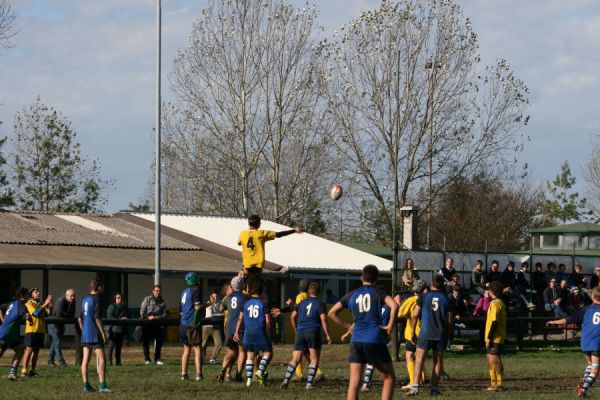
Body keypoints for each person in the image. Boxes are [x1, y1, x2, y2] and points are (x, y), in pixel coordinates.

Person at [328, 264, 398, 400]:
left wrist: (348, 326)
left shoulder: (353, 293)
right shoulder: (378, 292)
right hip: (374, 339)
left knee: (354, 382)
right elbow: (394, 305)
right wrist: (390, 326)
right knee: (389, 378)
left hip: (356, 340)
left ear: (362, 278)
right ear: (376, 279)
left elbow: (332, 313)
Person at [547, 286, 600, 397]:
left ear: (593, 296)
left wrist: (554, 322)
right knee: (595, 371)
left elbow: (569, 319)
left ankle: (582, 385)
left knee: (590, 365)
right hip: (597, 343)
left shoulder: (585, 309)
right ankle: (583, 390)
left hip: (585, 343)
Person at [406, 275, 452, 397]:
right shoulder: (447, 299)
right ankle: (434, 388)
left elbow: (415, 315)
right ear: (442, 285)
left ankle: (415, 387)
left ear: (432, 283)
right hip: (440, 334)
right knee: (437, 362)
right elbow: (449, 320)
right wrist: (447, 334)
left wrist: (412, 332)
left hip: (425, 333)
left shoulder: (424, 296)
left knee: (419, 360)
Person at [281, 282, 332, 390]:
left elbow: (292, 317)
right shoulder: (320, 303)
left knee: (295, 359)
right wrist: (327, 334)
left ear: (309, 291)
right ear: (320, 292)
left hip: (301, 331)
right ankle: (309, 384)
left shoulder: (302, 303)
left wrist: (296, 329)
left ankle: (286, 380)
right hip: (313, 331)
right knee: (314, 359)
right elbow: (323, 319)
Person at [238, 214, 302, 291]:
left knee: (246, 285)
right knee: (255, 286)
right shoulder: (261, 233)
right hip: (257, 265)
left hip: (246, 264)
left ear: (249, 224)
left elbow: (239, 243)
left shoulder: (242, 233)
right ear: (259, 224)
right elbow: (279, 234)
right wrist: (294, 230)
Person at [234, 279, 273, 387]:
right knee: (268, 353)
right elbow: (268, 320)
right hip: (260, 331)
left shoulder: (245, 303)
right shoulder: (264, 303)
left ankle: (249, 380)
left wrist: (236, 331)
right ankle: (260, 372)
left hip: (248, 332)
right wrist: (270, 330)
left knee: (250, 354)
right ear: (261, 291)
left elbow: (240, 319)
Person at [79, 279, 112, 393]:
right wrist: (103, 333)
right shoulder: (97, 299)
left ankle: (86, 385)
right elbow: (97, 318)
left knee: (85, 360)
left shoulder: (84, 300)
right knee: (103, 360)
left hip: (85, 334)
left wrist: (83, 329)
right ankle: (102, 386)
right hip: (94, 334)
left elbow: (79, 318)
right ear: (99, 288)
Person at [397, 280, 428, 391]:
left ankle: (412, 380)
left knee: (409, 356)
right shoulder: (427, 299)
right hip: (424, 332)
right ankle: (423, 378)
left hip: (412, 332)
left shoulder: (411, 300)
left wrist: (400, 303)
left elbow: (400, 313)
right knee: (420, 356)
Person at [218, 276, 247, 383]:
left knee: (231, 351)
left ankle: (222, 370)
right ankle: (238, 375)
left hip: (229, 327)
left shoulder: (228, 297)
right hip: (240, 327)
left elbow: (221, 308)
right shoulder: (245, 297)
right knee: (242, 351)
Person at [0, 288, 31, 381]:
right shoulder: (21, 305)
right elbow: (26, 315)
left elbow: (1, 308)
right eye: (27, 295)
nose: (29, 297)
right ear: (22, 296)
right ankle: (12, 373)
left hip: (4, 331)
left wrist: (3, 321)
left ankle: (12, 374)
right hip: (9, 334)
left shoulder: (11, 303)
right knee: (20, 349)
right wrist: (29, 318)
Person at [21, 287, 52, 377]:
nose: (38, 293)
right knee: (29, 350)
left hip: (40, 330)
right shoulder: (29, 303)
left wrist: (49, 304)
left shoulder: (40, 304)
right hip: (31, 330)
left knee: (36, 351)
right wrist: (45, 303)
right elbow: (35, 314)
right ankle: (24, 370)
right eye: (36, 292)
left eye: (39, 292)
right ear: (32, 295)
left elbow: (47, 314)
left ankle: (32, 370)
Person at [179, 272, 204, 381]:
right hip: (192, 324)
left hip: (183, 324)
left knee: (186, 349)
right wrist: (209, 304)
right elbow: (197, 307)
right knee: (197, 348)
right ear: (195, 280)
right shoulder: (195, 290)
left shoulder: (184, 292)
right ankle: (199, 374)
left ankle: (184, 374)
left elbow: (180, 311)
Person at [485, 281, 507, 392]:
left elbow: (495, 322)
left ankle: (499, 384)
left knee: (495, 359)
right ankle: (493, 384)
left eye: (489, 289)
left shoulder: (496, 303)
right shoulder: (493, 302)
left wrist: (489, 337)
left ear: (492, 291)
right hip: (491, 336)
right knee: (489, 359)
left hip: (496, 337)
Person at [48, 288, 76, 367]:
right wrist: (67, 315)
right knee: (57, 342)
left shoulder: (73, 301)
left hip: (61, 323)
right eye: (71, 296)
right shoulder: (61, 301)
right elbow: (59, 314)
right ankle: (61, 361)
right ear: (67, 295)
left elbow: (72, 314)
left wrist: (66, 315)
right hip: (53, 323)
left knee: (55, 342)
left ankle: (50, 360)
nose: (73, 298)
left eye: (74, 296)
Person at [140, 284, 167, 365]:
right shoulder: (147, 299)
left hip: (157, 324)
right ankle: (147, 359)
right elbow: (142, 312)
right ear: (153, 291)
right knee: (146, 342)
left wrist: (156, 317)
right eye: (156, 290)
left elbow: (165, 314)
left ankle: (157, 359)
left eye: (159, 291)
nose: (158, 292)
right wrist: (148, 317)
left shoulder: (163, 302)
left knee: (159, 342)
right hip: (147, 323)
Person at [105, 292, 129, 366]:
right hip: (113, 329)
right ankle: (109, 362)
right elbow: (109, 317)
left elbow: (128, 315)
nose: (120, 299)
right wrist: (119, 319)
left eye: (121, 297)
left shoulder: (124, 307)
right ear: (115, 299)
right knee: (111, 346)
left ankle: (118, 362)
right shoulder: (112, 306)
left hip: (121, 329)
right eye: (118, 297)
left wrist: (126, 318)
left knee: (119, 347)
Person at [202, 290, 224, 365]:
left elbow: (222, 310)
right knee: (203, 344)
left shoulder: (220, 302)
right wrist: (220, 315)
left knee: (219, 343)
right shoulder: (208, 304)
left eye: (216, 296)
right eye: (214, 296)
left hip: (215, 326)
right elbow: (210, 316)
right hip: (207, 326)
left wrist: (221, 311)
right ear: (210, 297)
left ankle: (213, 359)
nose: (215, 298)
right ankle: (201, 357)